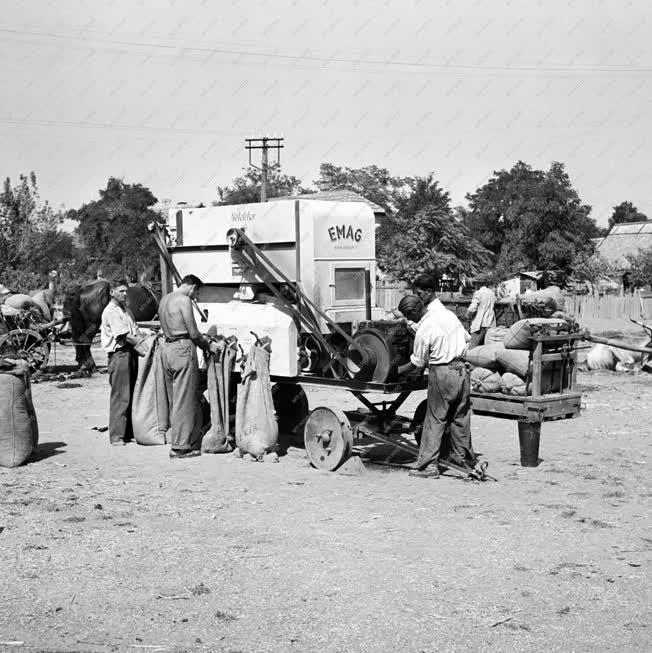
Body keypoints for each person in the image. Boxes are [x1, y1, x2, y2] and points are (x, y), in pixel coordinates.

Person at [397, 273, 477, 479]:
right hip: (462, 371)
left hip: (442, 373)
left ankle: (428, 466)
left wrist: (393, 372)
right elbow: (467, 338)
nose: (410, 321)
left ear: (414, 312)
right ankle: (462, 459)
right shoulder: (450, 315)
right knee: (460, 418)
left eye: (410, 317)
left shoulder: (425, 326)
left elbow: (417, 362)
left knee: (434, 419)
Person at [158, 274, 215, 460]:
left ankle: (177, 437)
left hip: (166, 348)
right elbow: (194, 333)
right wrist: (209, 346)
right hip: (182, 348)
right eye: (196, 293)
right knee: (185, 400)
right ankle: (181, 448)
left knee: (175, 399)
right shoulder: (184, 300)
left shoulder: (165, 299)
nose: (195, 297)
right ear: (192, 288)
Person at [100, 278, 142, 446]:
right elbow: (125, 336)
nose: (125, 294)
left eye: (126, 291)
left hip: (130, 354)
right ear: (112, 292)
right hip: (120, 355)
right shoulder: (111, 311)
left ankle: (128, 432)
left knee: (131, 393)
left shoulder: (126, 310)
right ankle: (116, 436)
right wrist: (144, 345)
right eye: (121, 291)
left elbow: (136, 331)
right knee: (120, 396)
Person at [466, 278, 496, 349]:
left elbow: (473, 307)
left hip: (480, 324)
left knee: (472, 348)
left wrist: (467, 315)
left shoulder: (478, 293)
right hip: (490, 323)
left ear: (478, 284)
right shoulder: (491, 293)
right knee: (486, 349)